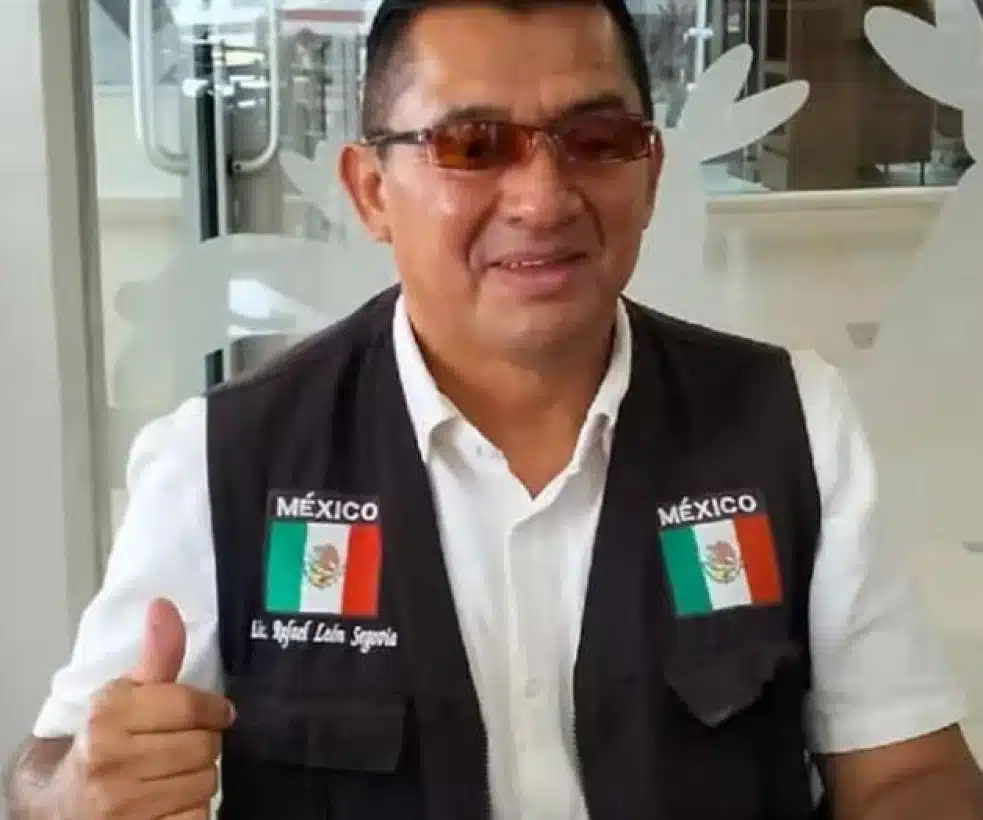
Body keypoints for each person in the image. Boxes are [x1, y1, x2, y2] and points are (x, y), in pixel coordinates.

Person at [6, 0, 983, 818]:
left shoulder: (785, 422)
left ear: (649, 173)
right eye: (471, 146)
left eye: (593, 141)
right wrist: (82, 789)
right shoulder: (225, 459)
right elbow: (40, 779)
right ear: (370, 190)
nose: (542, 198)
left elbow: (906, 768)